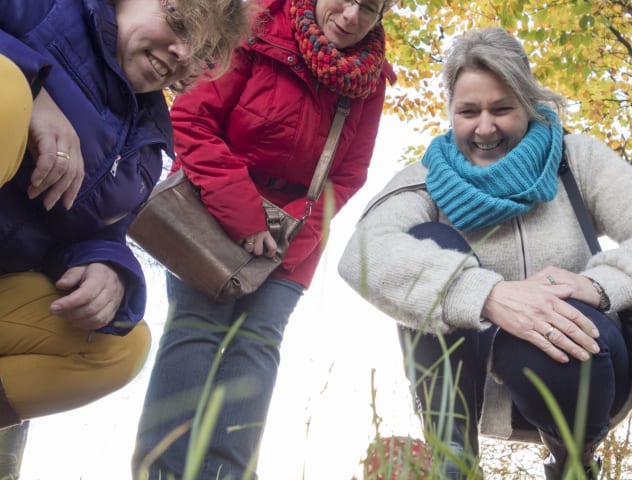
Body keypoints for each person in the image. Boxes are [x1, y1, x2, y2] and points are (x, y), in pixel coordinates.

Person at [338, 27, 632, 479]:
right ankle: (453, 457)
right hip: (480, 377)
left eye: (502, 109)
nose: (485, 127)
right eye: (468, 112)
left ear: (528, 105)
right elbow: (363, 251)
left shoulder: (576, 159)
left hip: (585, 366)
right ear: (450, 113)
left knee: (561, 327)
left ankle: (573, 461)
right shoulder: (427, 177)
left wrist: (597, 284)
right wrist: (489, 296)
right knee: (429, 241)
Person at [131, 0, 398, 477]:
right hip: (210, 209)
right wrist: (245, 217)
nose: (353, 15)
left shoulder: (369, 79)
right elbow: (192, 121)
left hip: (297, 232)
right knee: (196, 329)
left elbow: (349, 175)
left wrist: (293, 239)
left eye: (371, 8)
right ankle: (162, 468)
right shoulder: (255, 29)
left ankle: (227, 472)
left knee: (258, 342)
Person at [0, 0, 248, 477]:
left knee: (120, 344)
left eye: (203, 48)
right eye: (179, 23)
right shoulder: (45, 9)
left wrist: (109, 270)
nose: (182, 52)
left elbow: (101, 232)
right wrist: (32, 86)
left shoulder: (148, 145)